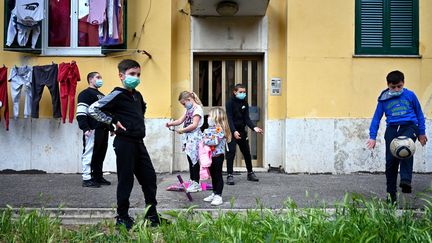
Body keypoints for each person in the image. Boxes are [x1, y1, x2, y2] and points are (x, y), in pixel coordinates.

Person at [88, 59, 161, 229]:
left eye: (138, 75)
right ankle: (122, 217)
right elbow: (93, 109)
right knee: (126, 180)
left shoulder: (137, 95)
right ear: (121, 76)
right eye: (132, 74)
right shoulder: (117, 94)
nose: (135, 78)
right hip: (124, 143)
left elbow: (141, 111)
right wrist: (112, 122)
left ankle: (152, 216)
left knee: (149, 178)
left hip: (138, 142)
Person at [367, 70, 427, 203]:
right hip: (392, 129)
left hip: (409, 126)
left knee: (405, 146)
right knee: (391, 162)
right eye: (393, 87)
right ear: (388, 85)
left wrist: (421, 133)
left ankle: (406, 180)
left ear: (403, 83)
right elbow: (376, 118)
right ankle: (391, 196)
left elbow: (419, 114)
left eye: (399, 86)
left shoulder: (410, 95)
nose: (396, 89)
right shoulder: (384, 99)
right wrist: (372, 137)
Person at [76, 72, 112, 188]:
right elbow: (81, 112)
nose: (100, 79)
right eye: (98, 77)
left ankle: (97, 176)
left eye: (100, 77)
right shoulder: (85, 94)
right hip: (92, 129)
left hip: (103, 129)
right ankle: (87, 178)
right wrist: (85, 128)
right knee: (89, 154)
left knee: (100, 154)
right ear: (90, 80)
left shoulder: (101, 95)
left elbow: (105, 113)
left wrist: (110, 126)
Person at [166, 91, 204, 193]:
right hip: (189, 139)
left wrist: (183, 130)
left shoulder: (197, 110)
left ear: (189, 99)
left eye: (184, 104)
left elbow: (194, 124)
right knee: (190, 159)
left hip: (195, 138)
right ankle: (192, 180)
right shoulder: (189, 110)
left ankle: (196, 183)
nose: (184, 106)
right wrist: (170, 124)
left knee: (194, 161)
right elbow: (180, 120)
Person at [225, 84, 263, 185]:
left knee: (246, 152)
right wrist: (233, 131)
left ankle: (250, 173)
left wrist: (254, 128)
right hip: (231, 132)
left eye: (244, 92)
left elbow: (247, 118)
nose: (243, 94)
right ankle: (229, 175)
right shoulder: (229, 103)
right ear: (235, 92)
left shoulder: (245, 103)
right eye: (241, 92)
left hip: (242, 131)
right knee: (231, 153)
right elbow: (229, 119)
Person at [202, 108, 231, 206]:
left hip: (218, 156)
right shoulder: (210, 129)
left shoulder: (219, 129)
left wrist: (204, 140)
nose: (208, 118)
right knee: (213, 175)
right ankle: (214, 193)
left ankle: (218, 195)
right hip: (211, 156)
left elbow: (214, 141)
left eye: (210, 116)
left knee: (218, 175)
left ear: (216, 117)